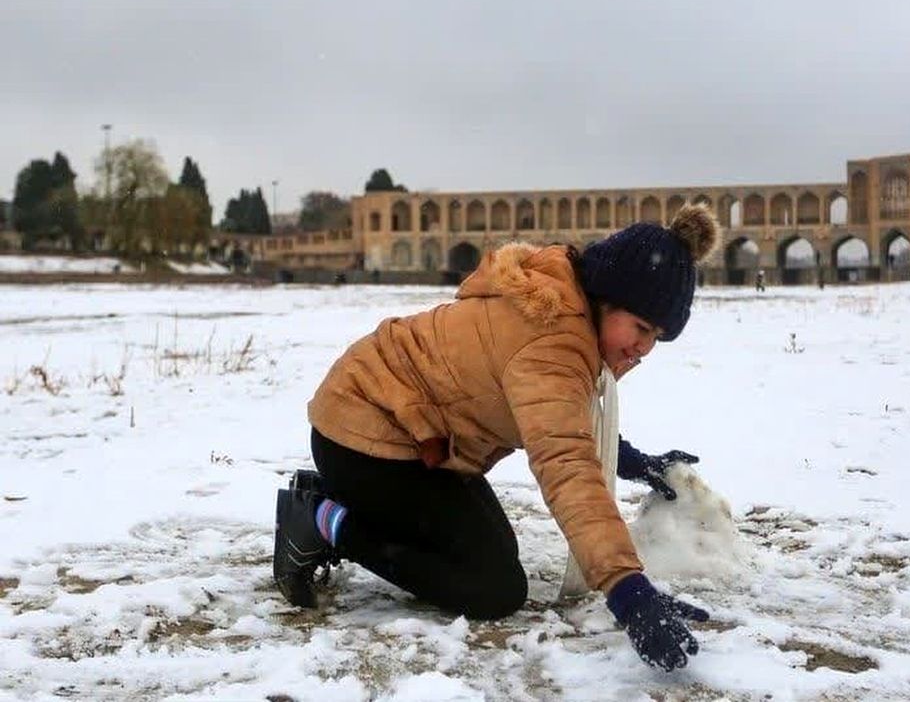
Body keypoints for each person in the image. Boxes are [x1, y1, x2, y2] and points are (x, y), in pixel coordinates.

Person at [273, 204, 720, 672]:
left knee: (495, 556)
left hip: (409, 437)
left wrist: (632, 462)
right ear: (606, 297)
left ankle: (338, 497)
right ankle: (322, 520)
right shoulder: (552, 339)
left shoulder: (563, 303)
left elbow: (561, 420)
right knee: (491, 587)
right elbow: (564, 462)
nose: (644, 348)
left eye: (658, 337)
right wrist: (629, 592)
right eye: (642, 328)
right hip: (364, 437)